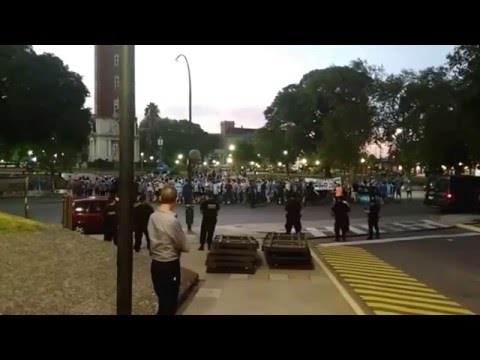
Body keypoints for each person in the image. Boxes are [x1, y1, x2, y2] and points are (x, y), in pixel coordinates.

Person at [148, 185, 190, 315]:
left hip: (156, 262)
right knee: (170, 301)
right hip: (169, 262)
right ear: (175, 200)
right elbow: (183, 244)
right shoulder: (171, 220)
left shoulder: (153, 216)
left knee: (162, 298)